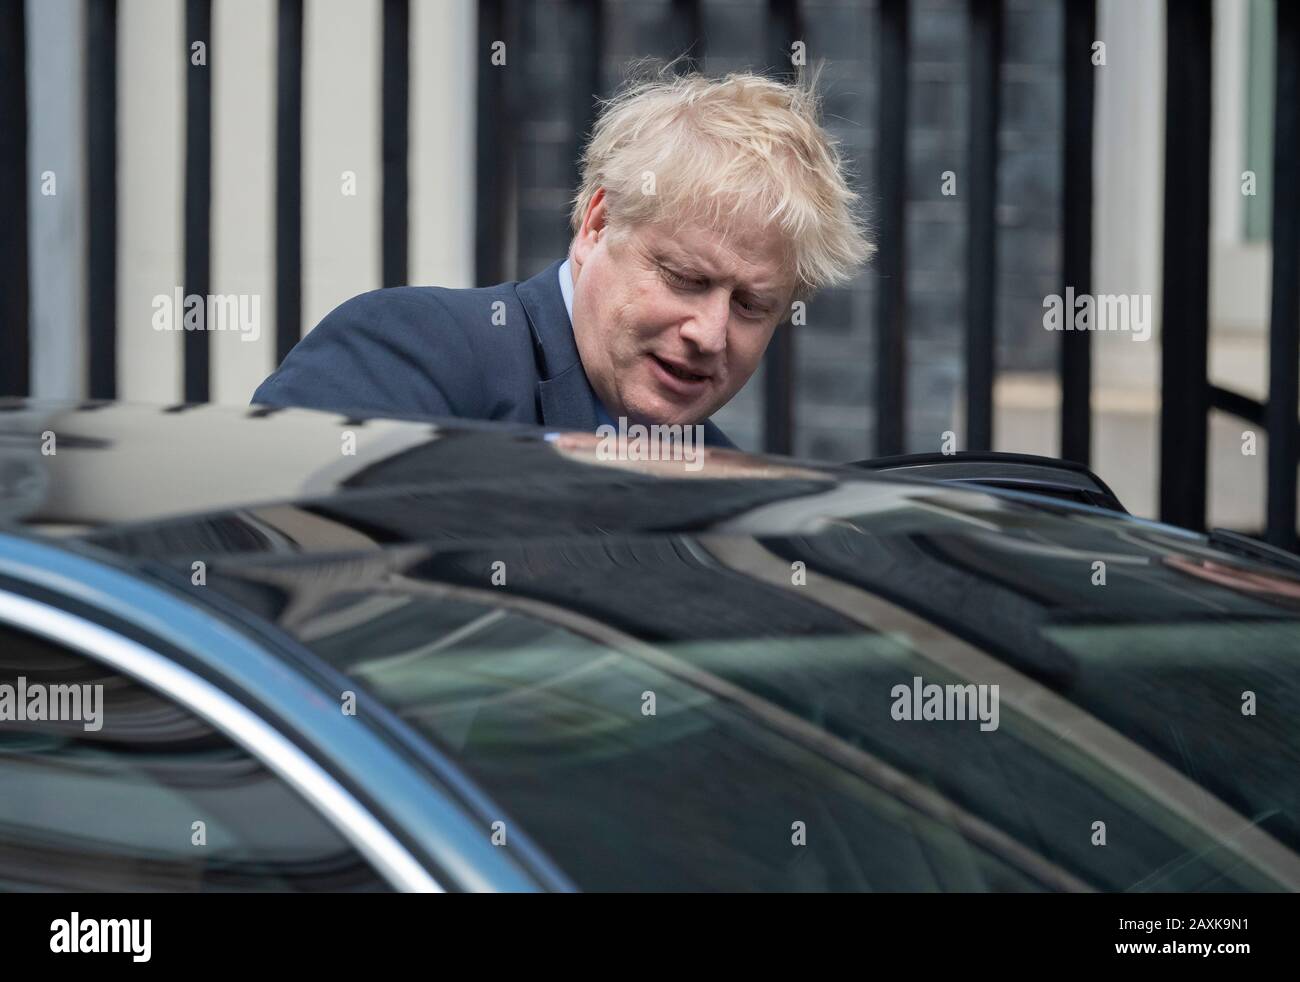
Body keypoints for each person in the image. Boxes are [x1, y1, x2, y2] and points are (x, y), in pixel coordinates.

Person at [252, 67, 873, 449]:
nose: (710, 334)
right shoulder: (414, 354)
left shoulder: (725, 481)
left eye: (750, 305)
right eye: (686, 279)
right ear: (597, 225)